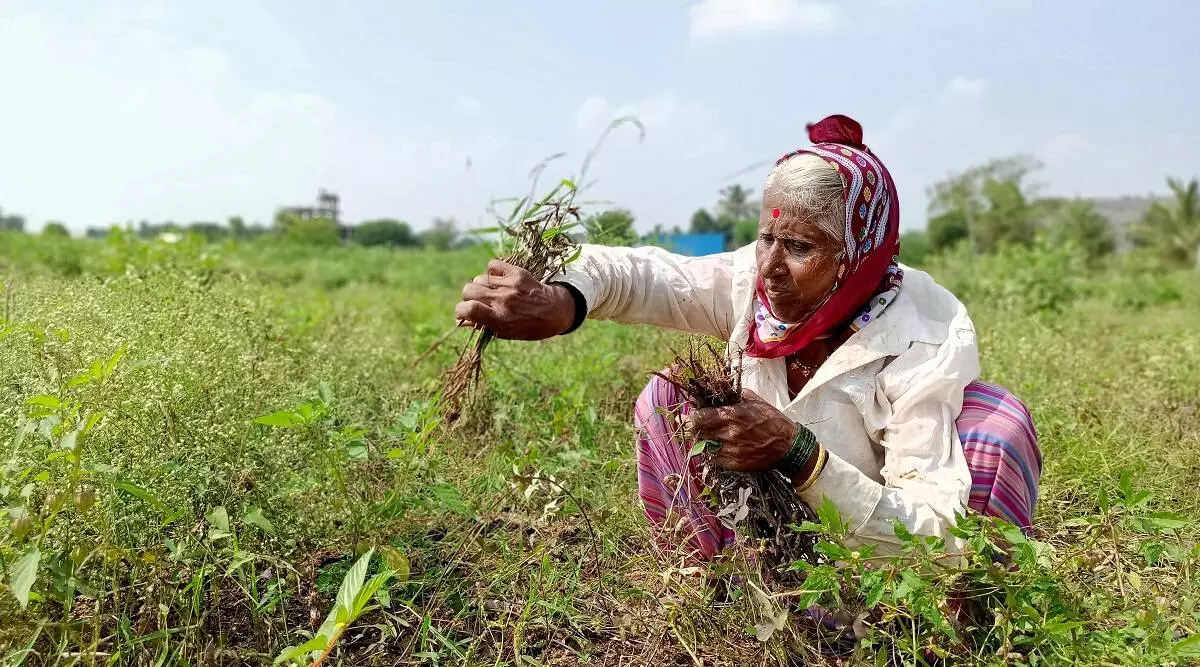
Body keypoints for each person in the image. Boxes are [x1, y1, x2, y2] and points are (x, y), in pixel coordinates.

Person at [454, 114, 1041, 561]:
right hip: (770, 536)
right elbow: (636, 273)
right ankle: (721, 588)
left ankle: (955, 628)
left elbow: (935, 531)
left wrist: (800, 454)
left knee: (994, 425)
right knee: (668, 400)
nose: (770, 268)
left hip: (885, 564)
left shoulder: (922, 335)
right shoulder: (753, 285)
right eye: (766, 239)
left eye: (801, 247)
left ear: (858, 254)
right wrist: (562, 301)